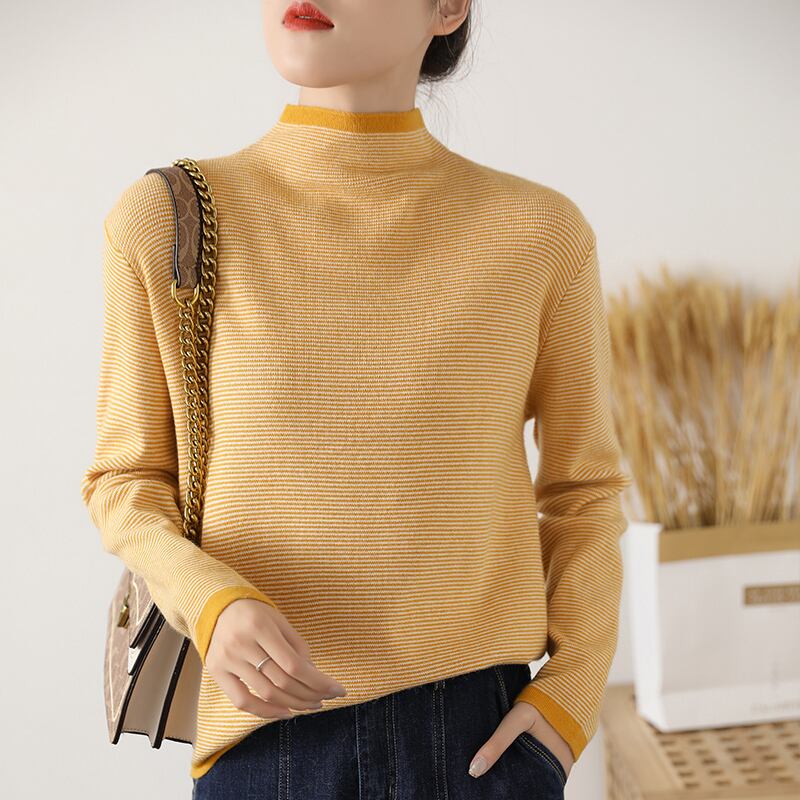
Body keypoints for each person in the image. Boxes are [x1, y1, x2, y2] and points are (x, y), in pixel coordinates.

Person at [81, 0, 632, 797]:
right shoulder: (166, 222)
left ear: (448, 7)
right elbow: (125, 482)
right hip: (264, 748)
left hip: (480, 740)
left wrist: (571, 697)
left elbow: (584, 492)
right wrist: (211, 605)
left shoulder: (539, 235)